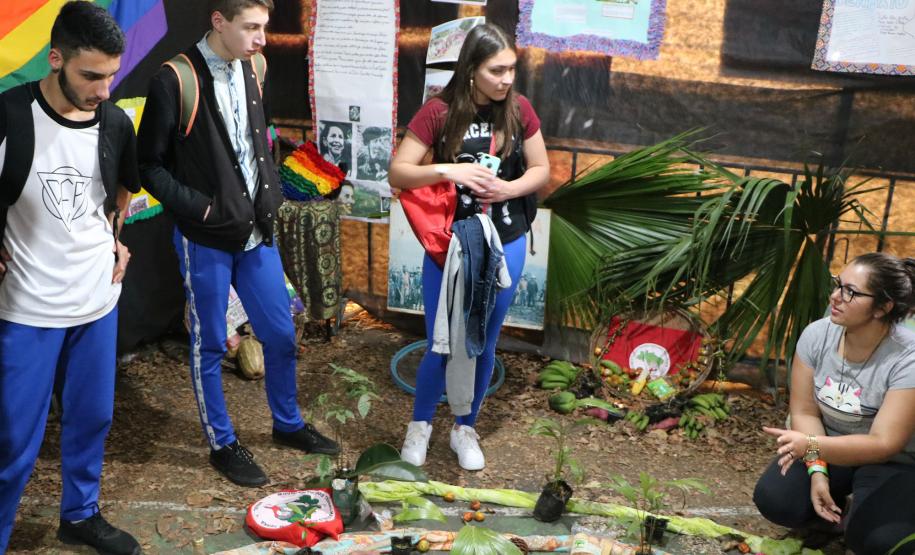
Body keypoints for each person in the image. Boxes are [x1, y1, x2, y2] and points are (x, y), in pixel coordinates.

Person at [137, 0, 338, 489]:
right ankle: (222, 443)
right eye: (251, 27)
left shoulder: (256, 66)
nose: (262, 39)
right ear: (218, 22)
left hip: (255, 232)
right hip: (205, 237)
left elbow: (255, 140)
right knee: (209, 343)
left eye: (264, 27)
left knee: (281, 335)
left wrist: (268, 194)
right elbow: (149, 167)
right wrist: (203, 209)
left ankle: (287, 423)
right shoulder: (175, 79)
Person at [0, 3, 142, 553]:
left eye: (112, 76)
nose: (104, 90)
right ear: (55, 59)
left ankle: (80, 514)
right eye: (91, 76)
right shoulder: (9, 116)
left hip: (97, 302)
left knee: (92, 418)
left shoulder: (115, 122)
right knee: (13, 440)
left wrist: (115, 239)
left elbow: (121, 190)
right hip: (26, 309)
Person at [389, 23, 550, 471]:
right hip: (452, 245)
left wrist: (509, 188)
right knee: (441, 341)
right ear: (471, 69)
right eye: (496, 70)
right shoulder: (438, 111)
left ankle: (465, 428)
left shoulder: (519, 109)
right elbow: (399, 172)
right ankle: (420, 425)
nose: (506, 79)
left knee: (483, 342)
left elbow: (541, 168)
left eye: (511, 69)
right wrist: (448, 170)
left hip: (505, 242)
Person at [754, 253, 915, 554]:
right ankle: (835, 518)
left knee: (879, 542)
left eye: (850, 292)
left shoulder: (908, 357)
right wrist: (817, 471)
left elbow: (884, 443)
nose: (835, 297)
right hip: (830, 445)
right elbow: (804, 411)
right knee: (776, 500)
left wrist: (811, 445)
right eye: (838, 284)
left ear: (883, 307)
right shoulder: (817, 335)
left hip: (894, 461)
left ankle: (871, 517)